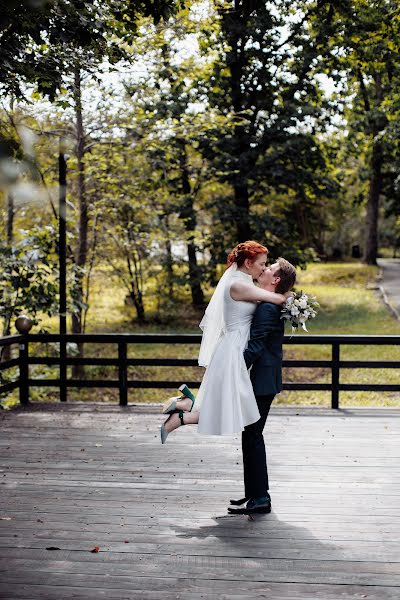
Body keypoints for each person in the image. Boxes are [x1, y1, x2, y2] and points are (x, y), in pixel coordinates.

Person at [160, 241, 287, 443]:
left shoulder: (244, 281)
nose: (264, 268)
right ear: (248, 262)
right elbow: (277, 299)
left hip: (238, 346)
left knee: (226, 406)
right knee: (225, 407)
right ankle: (183, 409)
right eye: (262, 264)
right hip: (233, 350)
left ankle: (184, 407)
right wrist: (294, 300)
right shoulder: (237, 285)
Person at [228, 257, 297, 516]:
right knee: (251, 435)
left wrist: (232, 370)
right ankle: (254, 493)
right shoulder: (269, 303)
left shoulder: (267, 308)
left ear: (275, 280)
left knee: (253, 436)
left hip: (262, 381)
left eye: (270, 268)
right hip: (264, 380)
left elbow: (256, 348)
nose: (265, 269)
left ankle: (260, 497)